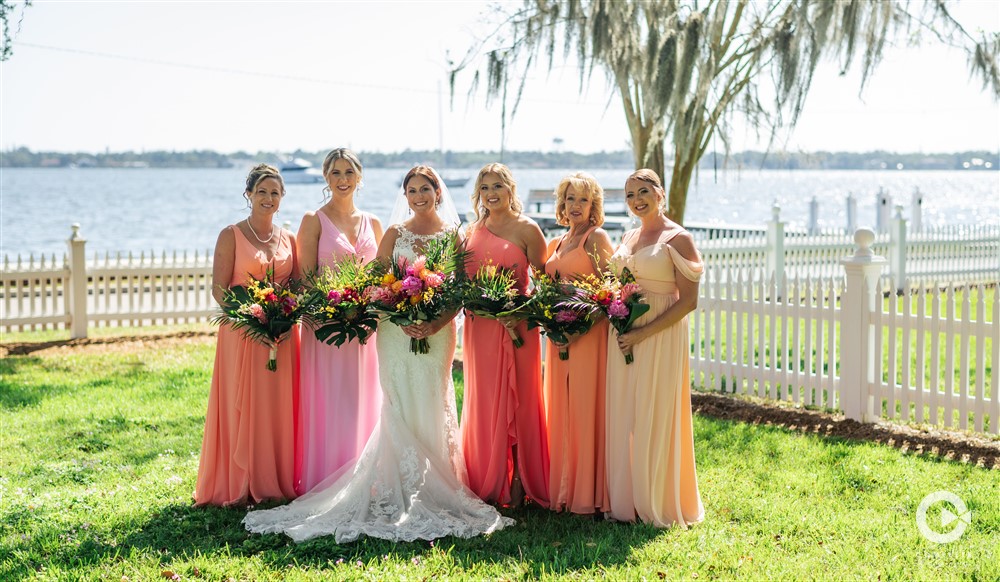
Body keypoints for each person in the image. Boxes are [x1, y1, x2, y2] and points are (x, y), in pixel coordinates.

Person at [243, 166, 512, 543]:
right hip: (395, 332)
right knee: (399, 401)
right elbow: (377, 282)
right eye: (411, 190)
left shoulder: (454, 236)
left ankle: (437, 485)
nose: (418, 196)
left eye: (425, 189)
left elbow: (459, 292)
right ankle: (397, 484)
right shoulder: (395, 234)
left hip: (437, 333)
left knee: (433, 400)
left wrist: (434, 323)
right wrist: (398, 308)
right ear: (405, 196)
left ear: (438, 192)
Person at [194, 163, 299, 506]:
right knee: (242, 406)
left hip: (281, 338)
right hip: (242, 335)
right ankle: (239, 482)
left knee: (277, 408)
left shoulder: (290, 239)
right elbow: (220, 289)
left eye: (275, 193)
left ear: (282, 199)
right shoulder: (231, 234)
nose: (268, 198)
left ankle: (276, 479)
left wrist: (283, 319)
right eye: (262, 192)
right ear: (249, 195)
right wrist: (251, 322)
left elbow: (296, 286)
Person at [605, 169, 704, 528]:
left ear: (660, 194)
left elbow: (689, 301)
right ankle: (627, 500)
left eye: (643, 191)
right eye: (630, 195)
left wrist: (644, 333)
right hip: (623, 331)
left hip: (659, 333)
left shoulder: (679, 238)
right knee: (626, 411)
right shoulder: (630, 235)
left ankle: (657, 500)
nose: (636, 200)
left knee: (654, 411)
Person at [293, 148, 383, 495]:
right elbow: (305, 279)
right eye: (335, 173)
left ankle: (364, 481)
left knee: (364, 399)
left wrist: (365, 309)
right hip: (325, 328)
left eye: (348, 172)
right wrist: (331, 311)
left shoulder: (373, 223)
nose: (342, 179)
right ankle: (326, 480)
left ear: (359, 177)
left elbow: (381, 274)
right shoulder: (313, 220)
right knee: (332, 403)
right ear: (325, 178)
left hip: (366, 329)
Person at [460, 162, 550, 508]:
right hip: (480, 329)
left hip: (517, 329)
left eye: (498, 186)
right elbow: (462, 283)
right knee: (484, 402)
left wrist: (520, 312)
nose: (491, 194)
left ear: (510, 188)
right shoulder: (472, 231)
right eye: (485, 188)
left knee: (521, 400)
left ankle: (520, 482)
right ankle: (488, 478)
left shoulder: (528, 229)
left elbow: (546, 284)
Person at [543, 172, 615, 515]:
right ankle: (564, 489)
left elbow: (608, 295)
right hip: (558, 338)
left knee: (586, 408)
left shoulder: (596, 238)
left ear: (594, 206)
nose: (575, 206)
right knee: (560, 407)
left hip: (588, 337)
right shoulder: (557, 241)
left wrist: (580, 328)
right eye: (570, 198)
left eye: (583, 200)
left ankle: (589, 494)